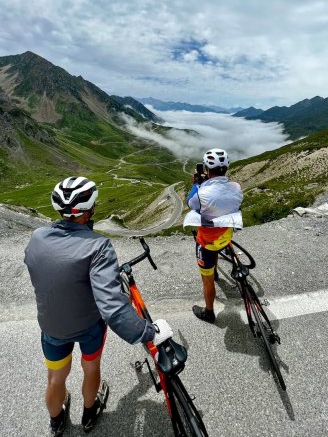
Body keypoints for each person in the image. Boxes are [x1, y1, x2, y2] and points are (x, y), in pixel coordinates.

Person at [24, 176, 172, 436]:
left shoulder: (37, 237)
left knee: (56, 377)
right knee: (90, 368)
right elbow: (112, 307)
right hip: (89, 326)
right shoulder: (98, 246)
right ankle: (89, 413)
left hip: (52, 326)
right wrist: (149, 332)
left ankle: (56, 420)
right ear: (89, 210)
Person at [184, 148, 243, 323]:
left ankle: (209, 312)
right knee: (219, 244)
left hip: (208, 244)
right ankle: (217, 269)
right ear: (226, 168)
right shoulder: (237, 188)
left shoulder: (201, 193)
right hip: (226, 236)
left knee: (207, 280)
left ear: (207, 170)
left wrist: (196, 183)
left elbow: (191, 204)